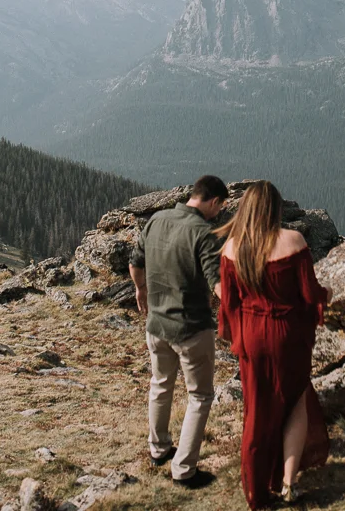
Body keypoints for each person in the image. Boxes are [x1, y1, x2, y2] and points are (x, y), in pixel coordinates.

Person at [217, 180, 331, 509]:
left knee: (256, 409)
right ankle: (288, 482)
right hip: (287, 336)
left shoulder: (232, 248)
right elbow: (310, 294)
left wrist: (236, 336)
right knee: (295, 400)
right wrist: (328, 297)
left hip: (252, 337)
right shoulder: (292, 241)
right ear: (275, 209)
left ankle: (255, 489)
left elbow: (230, 304)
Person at [129, 174, 229, 489]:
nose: (219, 214)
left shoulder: (156, 220)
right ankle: (184, 470)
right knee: (199, 395)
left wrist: (140, 290)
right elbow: (217, 284)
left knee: (160, 384)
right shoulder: (203, 233)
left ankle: (158, 449)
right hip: (190, 328)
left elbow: (135, 260)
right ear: (213, 201)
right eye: (220, 207)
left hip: (156, 324)